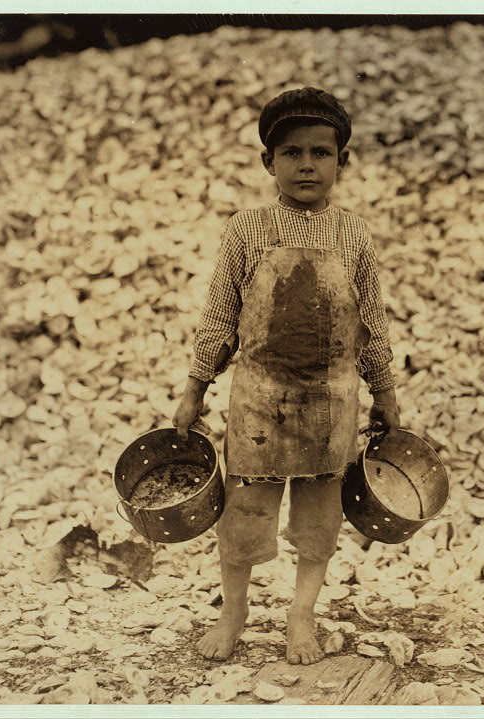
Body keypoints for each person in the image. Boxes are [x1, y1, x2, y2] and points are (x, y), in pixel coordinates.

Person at [173, 87, 399, 665]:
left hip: (332, 400)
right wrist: (195, 388)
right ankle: (235, 611)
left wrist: (387, 394)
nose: (306, 165)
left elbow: (372, 320)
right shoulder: (247, 229)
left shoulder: (354, 235)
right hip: (259, 398)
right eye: (292, 153)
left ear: (342, 162)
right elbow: (220, 314)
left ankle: (301, 617)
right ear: (267, 162)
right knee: (244, 513)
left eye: (321, 153)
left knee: (320, 517)